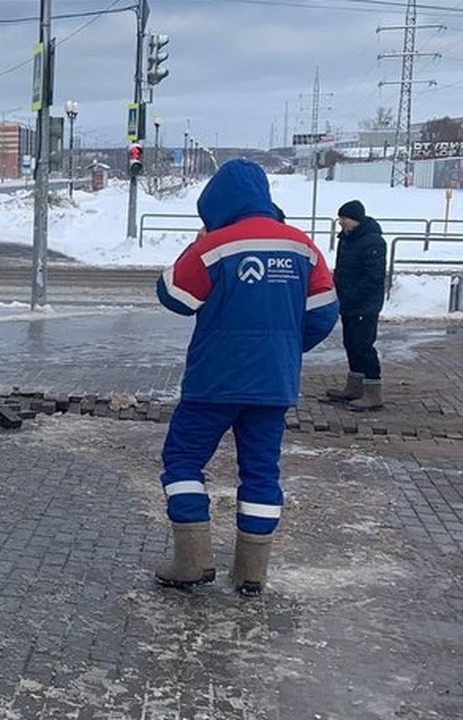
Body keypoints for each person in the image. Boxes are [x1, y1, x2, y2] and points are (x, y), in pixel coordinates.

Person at [154, 159, 338, 597]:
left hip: (213, 382)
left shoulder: (215, 246)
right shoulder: (303, 247)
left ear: (218, 203)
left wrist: (196, 244)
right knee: (260, 473)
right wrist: (284, 349)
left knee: (182, 461)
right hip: (273, 386)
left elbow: (174, 295)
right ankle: (252, 572)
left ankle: (192, 561)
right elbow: (325, 314)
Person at [324, 200, 387, 411]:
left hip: (365, 304)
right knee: (350, 343)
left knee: (363, 345)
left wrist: (354, 294)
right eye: (340, 218)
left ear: (356, 219)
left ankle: (372, 391)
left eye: (345, 218)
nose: (341, 222)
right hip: (349, 302)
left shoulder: (373, 242)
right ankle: (355, 386)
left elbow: (374, 276)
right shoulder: (347, 239)